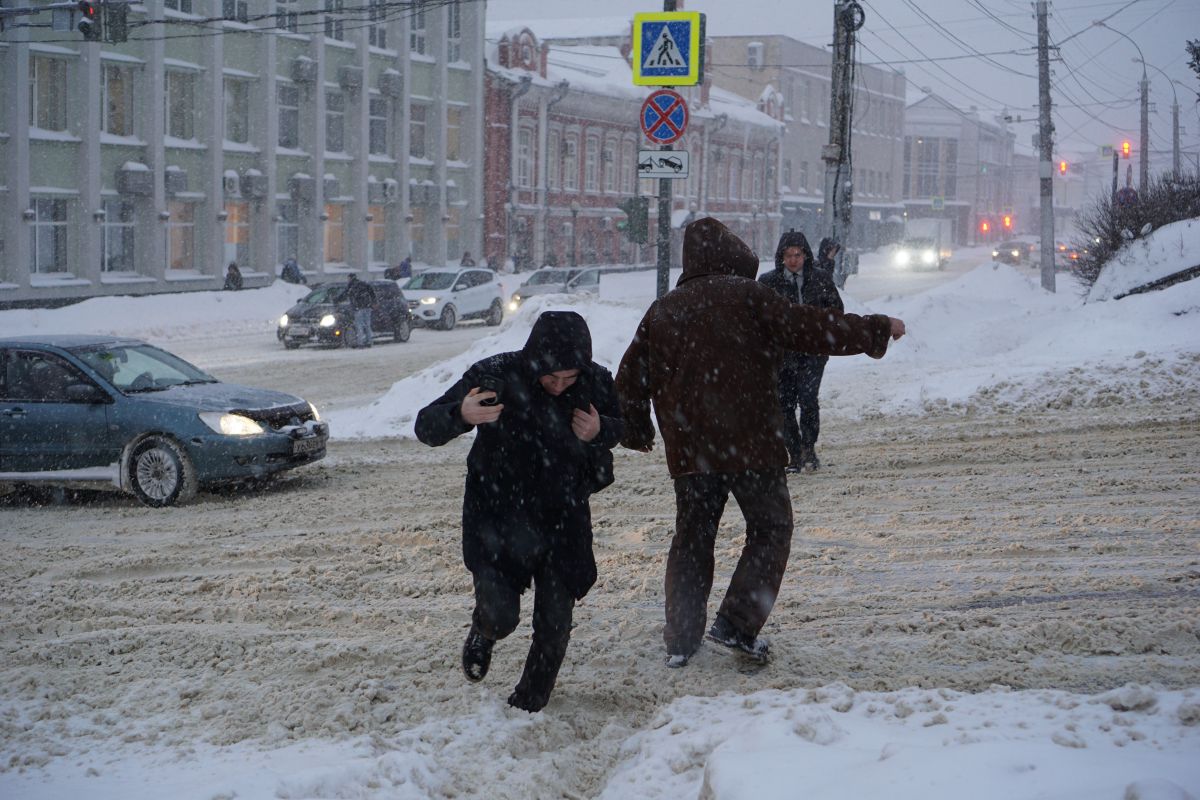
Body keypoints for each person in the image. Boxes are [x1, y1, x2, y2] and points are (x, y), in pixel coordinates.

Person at [615, 217, 905, 668]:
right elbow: (811, 327)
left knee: (692, 539)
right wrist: (874, 330)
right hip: (752, 443)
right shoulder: (750, 297)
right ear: (732, 254)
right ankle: (736, 624)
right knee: (771, 529)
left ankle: (681, 639)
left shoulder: (664, 310)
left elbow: (629, 379)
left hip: (692, 451)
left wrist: (637, 429)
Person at [415, 311, 623, 712]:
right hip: (498, 516)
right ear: (534, 362)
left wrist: (602, 431)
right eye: (551, 378)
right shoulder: (494, 375)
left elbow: (622, 427)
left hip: (564, 518)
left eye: (569, 378)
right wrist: (461, 414)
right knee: (501, 614)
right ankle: (484, 631)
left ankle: (528, 705)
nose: (560, 387)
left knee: (555, 623)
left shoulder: (595, 379)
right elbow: (426, 426)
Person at [758, 232, 844, 473]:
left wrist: (821, 331)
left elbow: (836, 310)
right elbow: (759, 317)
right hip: (782, 356)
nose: (793, 260)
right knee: (784, 405)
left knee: (808, 400)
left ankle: (809, 448)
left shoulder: (820, 280)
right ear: (781, 257)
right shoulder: (768, 283)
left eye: (797, 255)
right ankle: (794, 453)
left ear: (805, 255)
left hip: (813, 353)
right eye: (788, 256)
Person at [345, 273, 376, 348]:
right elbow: (372, 292)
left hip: (358, 307)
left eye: (348, 278)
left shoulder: (351, 285)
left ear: (350, 278)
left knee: (359, 326)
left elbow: (345, 294)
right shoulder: (363, 284)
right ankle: (369, 342)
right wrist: (374, 302)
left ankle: (361, 343)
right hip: (367, 306)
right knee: (367, 325)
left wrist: (336, 299)